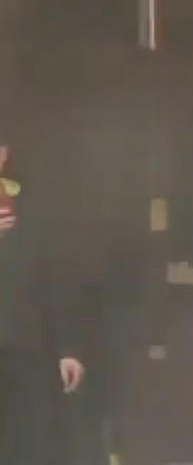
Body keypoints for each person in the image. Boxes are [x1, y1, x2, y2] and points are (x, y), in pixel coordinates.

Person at [0, 142, 86, 465]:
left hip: (28, 349)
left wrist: (68, 349)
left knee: (28, 447)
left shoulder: (30, 205)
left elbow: (55, 280)